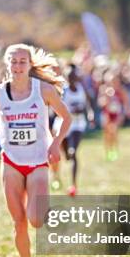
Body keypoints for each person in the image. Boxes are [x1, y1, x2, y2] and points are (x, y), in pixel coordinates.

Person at [0, 44, 71, 257]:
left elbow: (66, 117)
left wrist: (56, 143)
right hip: (11, 162)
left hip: (38, 159)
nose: (18, 66)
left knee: (36, 220)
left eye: (22, 61)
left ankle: (40, 208)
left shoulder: (44, 90)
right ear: (7, 64)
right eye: (14, 62)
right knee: (18, 221)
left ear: (29, 65)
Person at [51, 64, 94, 196]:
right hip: (63, 125)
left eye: (74, 76)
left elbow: (87, 104)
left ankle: (74, 185)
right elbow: (57, 109)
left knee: (73, 152)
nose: (73, 79)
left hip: (78, 124)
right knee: (64, 155)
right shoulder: (64, 91)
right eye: (70, 77)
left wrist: (90, 114)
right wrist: (70, 111)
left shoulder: (82, 89)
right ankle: (56, 176)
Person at [97, 70, 130, 161]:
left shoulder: (121, 90)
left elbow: (126, 102)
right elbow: (100, 103)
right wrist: (106, 98)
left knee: (114, 131)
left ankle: (114, 151)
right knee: (107, 134)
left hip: (117, 114)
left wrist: (128, 111)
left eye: (115, 80)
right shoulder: (103, 89)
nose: (113, 83)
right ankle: (108, 151)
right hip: (107, 114)